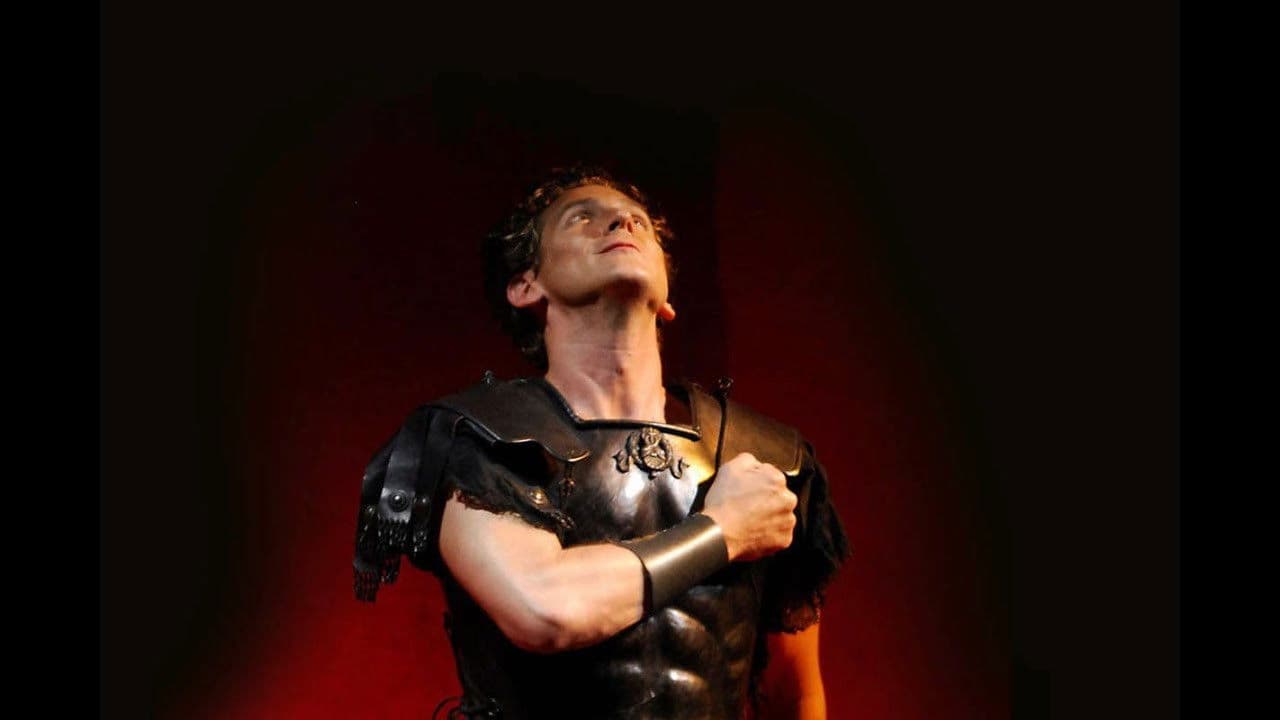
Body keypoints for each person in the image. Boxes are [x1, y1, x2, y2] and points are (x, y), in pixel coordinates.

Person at [353, 165, 851, 719]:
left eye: (639, 222)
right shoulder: (476, 437)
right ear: (525, 285)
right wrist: (726, 529)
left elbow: (793, 694)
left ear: (667, 298)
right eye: (581, 218)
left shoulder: (763, 456)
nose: (622, 222)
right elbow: (544, 610)